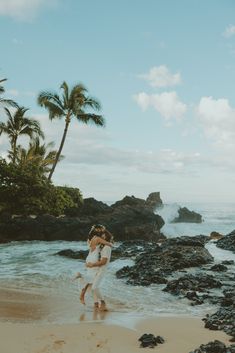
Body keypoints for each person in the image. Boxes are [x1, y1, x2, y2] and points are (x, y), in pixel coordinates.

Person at [74, 224, 113, 305]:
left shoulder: (90, 239)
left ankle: (95, 302)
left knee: (91, 279)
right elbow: (109, 244)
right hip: (94, 257)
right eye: (101, 230)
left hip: (89, 257)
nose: (102, 232)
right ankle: (81, 278)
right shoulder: (98, 238)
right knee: (92, 279)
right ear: (98, 230)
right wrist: (110, 243)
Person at [86, 230, 113, 311]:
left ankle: (103, 302)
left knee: (94, 287)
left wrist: (92, 265)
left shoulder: (107, 248)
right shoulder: (102, 247)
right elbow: (93, 242)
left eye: (103, 235)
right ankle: (96, 304)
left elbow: (104, 261)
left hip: (101, 270)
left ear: (106, 237)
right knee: (91, 287)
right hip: (97, 269)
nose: (101, 236)